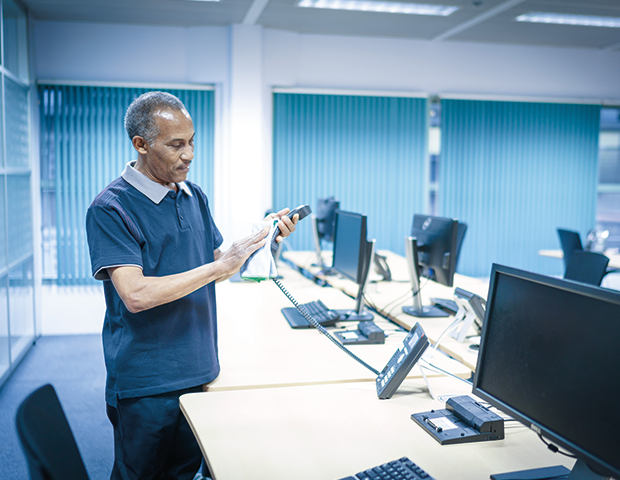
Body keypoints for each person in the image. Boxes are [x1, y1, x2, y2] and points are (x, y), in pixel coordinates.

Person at [86, 91, 298, 480]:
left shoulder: (193, 195)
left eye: (193, 141)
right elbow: (136, 295)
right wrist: (221, 266)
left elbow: (217, 265)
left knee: (185, 473)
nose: (190, 154)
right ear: (141, 145)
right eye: (177, 144)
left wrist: (263, 244)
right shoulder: (111, 208)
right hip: (147, 382)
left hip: (199, 369)